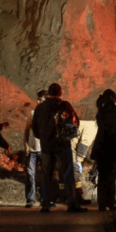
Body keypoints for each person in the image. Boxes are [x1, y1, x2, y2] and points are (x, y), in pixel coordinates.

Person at [33, 83, 85, 213]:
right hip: (63, 145)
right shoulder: (65, 105)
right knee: (68, 174)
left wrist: (44, 138)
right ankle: (71, 203)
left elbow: (35, 130)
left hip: (46, 146)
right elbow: (76, 122)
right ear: (60, 93)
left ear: (48, 93)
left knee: (47, 175)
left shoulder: (40, 108)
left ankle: (45, 204)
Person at [91, 89, 116, 210]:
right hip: (113, 146)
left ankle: (102, 204)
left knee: (102, 176)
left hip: (101, 146)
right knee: (112, 176)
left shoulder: (100, 111)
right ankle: (111, 202)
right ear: (113, 97)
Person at [22, 90, 46, 208]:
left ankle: (44, 198)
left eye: (40, 99)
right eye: (38, 99)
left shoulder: (51, 114)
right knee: (30, 173)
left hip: (45, 149)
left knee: (46, 174)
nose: (37, 101)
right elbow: (27, 129)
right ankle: (30, 199)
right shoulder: (33, 113)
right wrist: (25, 144)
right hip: (33, 148)